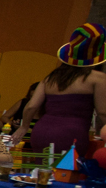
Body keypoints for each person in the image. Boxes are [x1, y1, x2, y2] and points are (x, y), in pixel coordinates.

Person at [16, 23, 105, 153]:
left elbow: (31, 106)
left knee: (41, 165)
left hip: (41, 132)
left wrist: (24, 127)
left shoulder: (50, 78)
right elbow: (103, 112)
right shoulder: (97, 78)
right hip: (72, 134)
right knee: (68, 166)